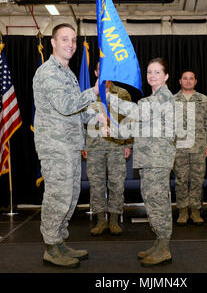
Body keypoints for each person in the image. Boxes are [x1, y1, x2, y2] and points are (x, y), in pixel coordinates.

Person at [33, 23, 99, 268]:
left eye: (73, 39)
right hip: (55, 145)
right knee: (57, 197)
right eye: (65, 39)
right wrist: (94, 91)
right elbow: (65, 105)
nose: (71, 44)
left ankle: (59, 241)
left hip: (70, 145)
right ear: (53, 42)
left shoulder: (68, 73)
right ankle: (50, 247)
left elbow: (77, 111)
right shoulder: (48, 72)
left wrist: (97, 117)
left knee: (70, 197)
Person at [107, 58, 175, 267]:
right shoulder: (150, 99)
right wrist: (114, 130)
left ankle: (164, 248)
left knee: (158, 202)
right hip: (148, 159)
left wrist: (111, 98)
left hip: (157, 160)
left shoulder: (163, 98)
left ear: (165, 76)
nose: (152, 75)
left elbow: (136, 113)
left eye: (157, 72)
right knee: (152, 201)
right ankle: (158, 243)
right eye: (149, 72)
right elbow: (138, 127)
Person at [85, 62, 132, 236]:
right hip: (94, 146)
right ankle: (100, 221)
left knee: (117, 183)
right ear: (96, 72)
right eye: (100, 69)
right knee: (96, 184)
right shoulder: (88, 95)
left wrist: (128, 144)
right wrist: (84, 145)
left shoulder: (122, 94)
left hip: (116, 145)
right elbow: (82, 122)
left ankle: (113, 220)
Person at [173, 70, 207, 225]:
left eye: (191, 79)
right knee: (181, 180)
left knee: (197, 180)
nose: (188, 81)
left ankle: (196, 211)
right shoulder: (173, 100)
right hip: (180, 148)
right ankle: (183, 211)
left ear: (195, 81)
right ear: (180, 81)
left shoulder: (203, 100)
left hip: (198, 147)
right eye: (185, 78)